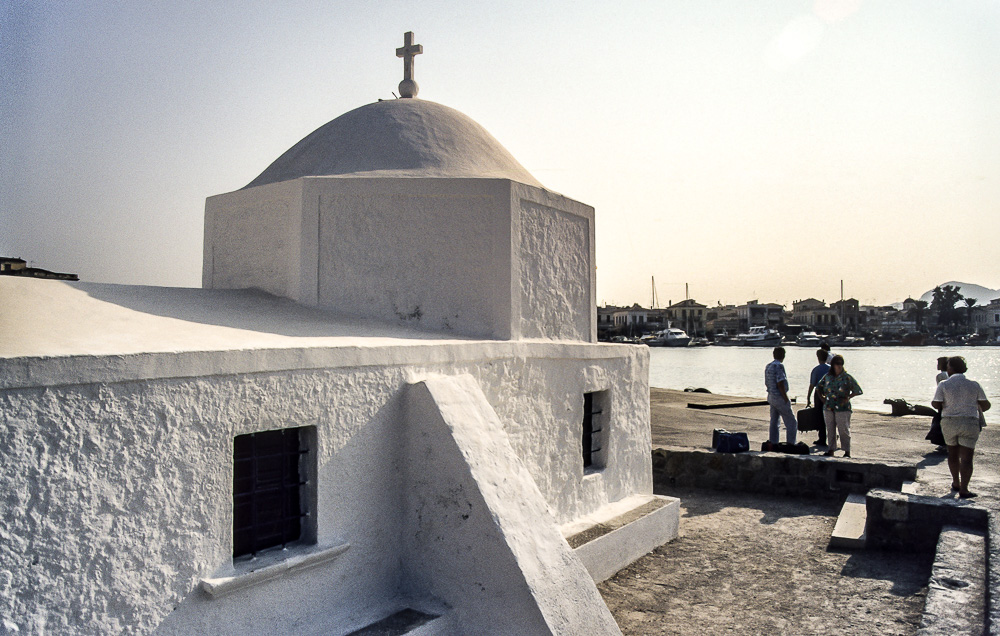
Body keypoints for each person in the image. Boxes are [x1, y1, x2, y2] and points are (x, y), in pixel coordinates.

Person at [932, 356, 991, 499]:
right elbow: (986, 405)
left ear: (950, 368)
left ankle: (955, 483)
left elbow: (936, 404)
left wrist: (949, 405)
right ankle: (964, 489)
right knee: (967, 458)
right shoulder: (974, 384)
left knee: (952, 454)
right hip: (969, 422)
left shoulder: (944, 384)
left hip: (949, 422)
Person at [819, 355, 862, 458]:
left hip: (843, 408)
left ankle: (847, 451)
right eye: (837, 363)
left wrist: (848, 397)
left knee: (843, 430)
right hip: (829, 407)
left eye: (841, 363)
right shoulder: (827, 376)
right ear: (833, 365)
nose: (839, 366)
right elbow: (818, 387)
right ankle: (831, 450)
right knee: (830, 429)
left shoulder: (847, 377)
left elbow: (858, 390)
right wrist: (822, 398)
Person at [765, 347, 797, 445]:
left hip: (771, 396)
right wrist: (785, 398)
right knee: (791, 422)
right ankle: (791, 443)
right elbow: (780, 383)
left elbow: (767, 382)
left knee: (774, 421)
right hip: (779, 397)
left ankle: (773, 442)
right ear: (783, 355)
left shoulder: (768, 366)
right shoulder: (779, 366)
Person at [806, 348, 831, 446]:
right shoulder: (831, 368)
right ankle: (833, 438)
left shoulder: (816, 370)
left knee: (820, 417)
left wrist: (808, 398)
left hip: (819, 393)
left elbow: (812, 385)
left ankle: (822, 439)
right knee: (831, 416)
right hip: (830, 393)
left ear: (818, 358)